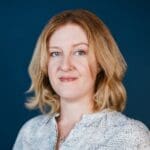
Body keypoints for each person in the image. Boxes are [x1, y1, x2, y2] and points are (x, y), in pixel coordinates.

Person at [13, 9, 150, 150]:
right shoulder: (30, 133)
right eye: (55, 53)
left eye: (80, 52)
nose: (65, 66)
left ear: (100, 63)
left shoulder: (131, 137)